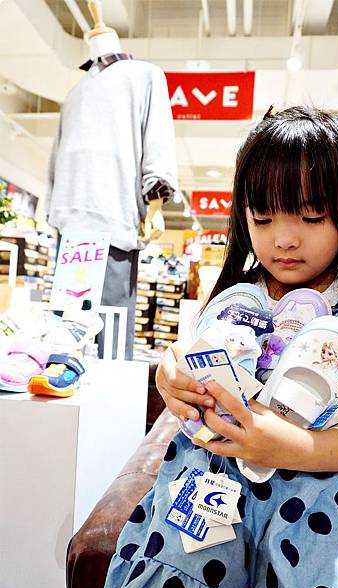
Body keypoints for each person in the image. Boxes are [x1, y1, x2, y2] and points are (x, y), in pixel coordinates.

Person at [104, 106, 338, 588]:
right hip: (214, 482)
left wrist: (289, 448)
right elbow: (187, 358)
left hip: (327, 491)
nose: (284, 238)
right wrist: (169, 378)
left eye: (311, 216)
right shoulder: (235, 297)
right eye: (262, 218)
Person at [45, 0, 177, 360]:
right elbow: (58, 160)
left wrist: (155, 197)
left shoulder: (144, 75)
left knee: (111, 330)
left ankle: (109, 408)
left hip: (112, 219)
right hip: (72, 229)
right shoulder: (73, 94)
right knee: (67, 333)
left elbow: (157, 137)